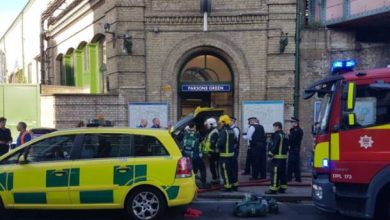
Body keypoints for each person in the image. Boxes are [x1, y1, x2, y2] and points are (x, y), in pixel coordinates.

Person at [182, 121, 208, 189]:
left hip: (187, 156)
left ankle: (193, 183)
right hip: (195, 156)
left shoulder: (185, 134)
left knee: (193, 170)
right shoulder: (197, 134)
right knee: (202, 168)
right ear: (194, 126)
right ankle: (203, 183)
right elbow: (202, 141)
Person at [265, 122, 289, 194]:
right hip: (283, 158)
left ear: (278, 127)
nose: (274, 128)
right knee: (283, 173)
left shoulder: (277, 135)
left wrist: (270, 155)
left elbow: (274, 146)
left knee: (275, 173)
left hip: (277, 158)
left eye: (274, 127)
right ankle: (283, 187)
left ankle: (273, 188)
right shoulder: (285, 135)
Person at [217, 115, 236, 192]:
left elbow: (221, 143)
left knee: (225, 171)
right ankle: (234, 185)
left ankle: (227, 187)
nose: (220, 124)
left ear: (224, 122)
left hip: (224, 155)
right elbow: (235, 141)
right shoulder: (232, 130)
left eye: (221, 123)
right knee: (231, 171)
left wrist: (217, 147)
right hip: (231, 155)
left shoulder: (223, 131)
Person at [202, 118, 220, 185]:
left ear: (211, 124)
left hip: (214, 153)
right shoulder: (212, 131)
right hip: (212, 153)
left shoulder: (214, 132)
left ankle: (216, 180)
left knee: (214, 167)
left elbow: (213, 143)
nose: (207, 126)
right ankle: (214, 179)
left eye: (207, 125)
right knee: (212, 167)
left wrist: (210, 152)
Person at [288, 117, 304, 182]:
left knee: (291, 164)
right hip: (295, 148)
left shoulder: (296, 130)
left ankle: (289, 178)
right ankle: (297, 178)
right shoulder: (294, 130)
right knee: (296, 164)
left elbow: (293, 139)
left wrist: (288, 136)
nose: (291, 123)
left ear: (296, 123)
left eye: (292, 122)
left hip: (294, 148)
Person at [230, 116, 240, 190]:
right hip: (232, 150)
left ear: (233, 121)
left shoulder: (235, 129)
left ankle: (235, 184)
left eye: (230, 121)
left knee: (233, 167)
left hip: (234, 150)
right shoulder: (231, 129)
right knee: (231, 167)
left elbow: (235, 140)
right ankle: (233, 183)